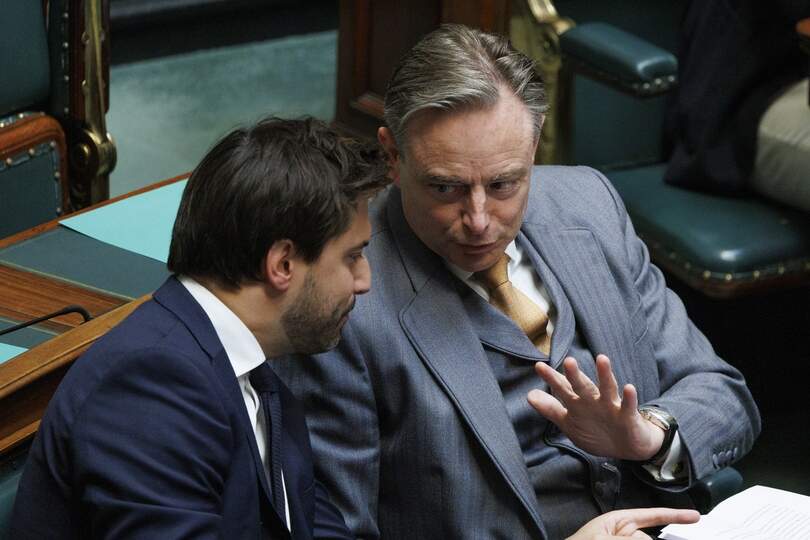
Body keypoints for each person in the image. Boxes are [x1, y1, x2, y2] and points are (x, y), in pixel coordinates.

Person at [274, 25, 761, 540]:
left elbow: (723, 394)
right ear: (392, 155)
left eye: (504, 183)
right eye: (445, 187)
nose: (480, 220)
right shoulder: (342, 297)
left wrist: (649, 437)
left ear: (536, 141)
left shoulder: (589, 203)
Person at [9, 117, 389, 539]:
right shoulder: (151, 386)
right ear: (282, 264)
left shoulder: (255, 363)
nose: (364, 280)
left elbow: (312, 523)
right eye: (352, 256)